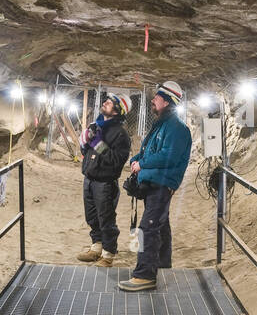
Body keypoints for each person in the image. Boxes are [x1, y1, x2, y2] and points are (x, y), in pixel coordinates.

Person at [119, 80, 193, 293]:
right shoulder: (160, 125)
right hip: (153, 183)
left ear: (168, 102)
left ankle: (145, 276)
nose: (153, 100)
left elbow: (168, 156)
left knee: (147, 229)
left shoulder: (178, 129)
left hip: (162, 184)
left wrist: (142, 164)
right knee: (161, 225)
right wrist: (136, 159)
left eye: (157, 97)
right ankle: (162, 263)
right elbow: (148, 151)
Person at [74, 95, 130, 265]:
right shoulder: (98, 126)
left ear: (117, 110)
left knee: (106, 218)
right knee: (92, 216)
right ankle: (96, 247)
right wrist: (85, 142)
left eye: (110, 102)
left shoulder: (120, 134)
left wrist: (97, 142)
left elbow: (115, 160)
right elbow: (88, 153)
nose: (105, 102)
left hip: (105, 183)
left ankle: (108, 254)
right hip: (90, 179)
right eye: (106, 100)